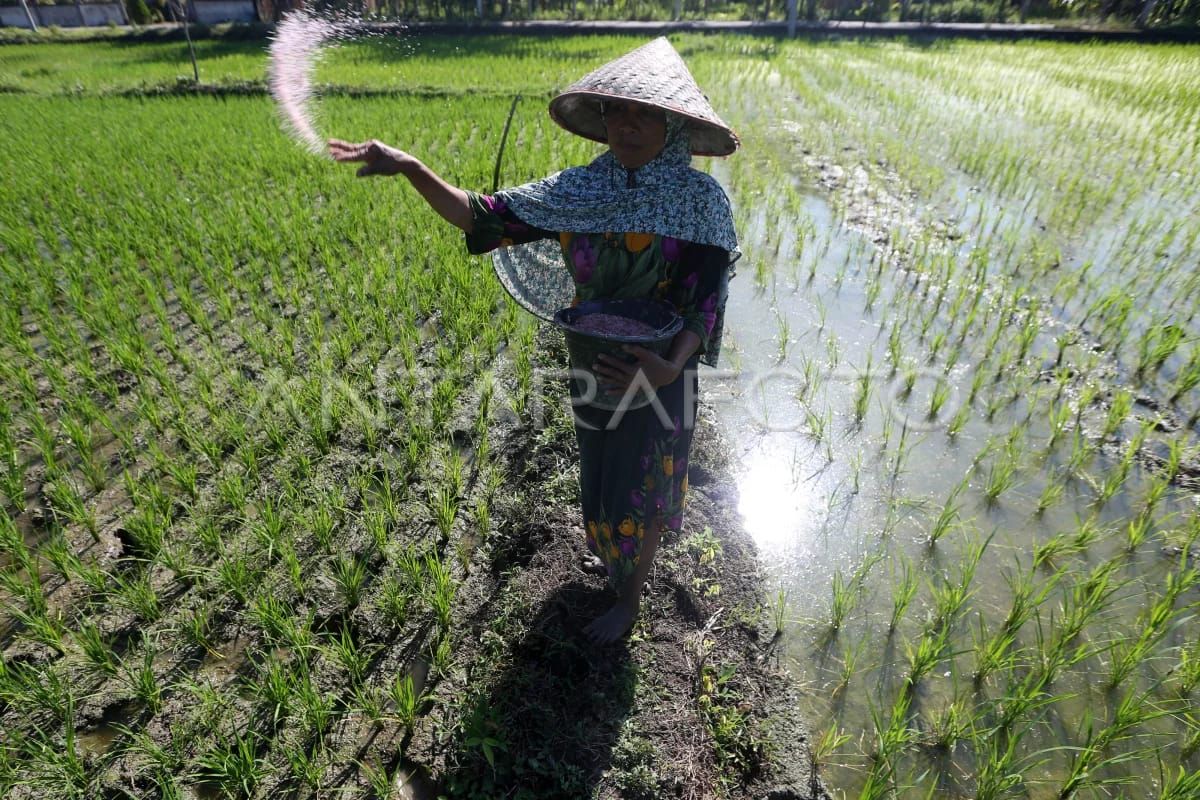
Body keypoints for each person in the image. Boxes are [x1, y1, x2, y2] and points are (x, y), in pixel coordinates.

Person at [330, 38, 739, 643]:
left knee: (645, 479)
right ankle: (610, 561)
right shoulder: (577, 190)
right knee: (600, 468)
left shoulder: (699, 201)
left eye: (645, 112)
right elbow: (485, 217)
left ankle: (628, 600)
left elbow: (706, 298)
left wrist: (669, 366)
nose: (627, 124)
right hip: (592, 361)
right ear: (602, 121)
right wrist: (413, 168)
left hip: (659, 370)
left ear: (673, 123)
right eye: (616, 111)